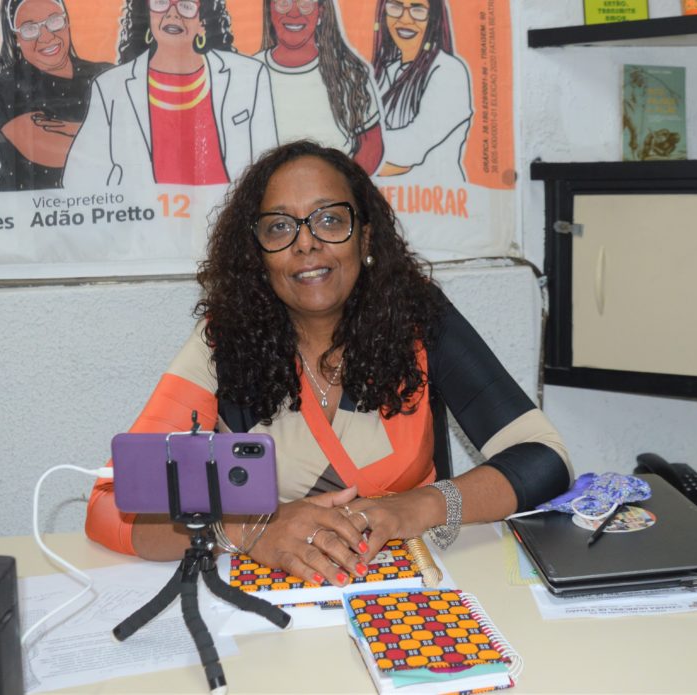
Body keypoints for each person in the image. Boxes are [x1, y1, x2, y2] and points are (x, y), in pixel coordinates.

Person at [85, 141, 571, 585]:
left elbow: (544, 458)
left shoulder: (418, 318)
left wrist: (415, 507)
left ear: (365, 238)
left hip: (413, 584)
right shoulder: (224, 340)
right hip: (277, 601)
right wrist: (251, 529)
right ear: (258, 255)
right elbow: (109, 506)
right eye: (280, 226)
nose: (306, 243)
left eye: (330, 220)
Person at [63, 0, 277, 187]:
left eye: (186, 5)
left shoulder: (249, 76)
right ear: (146, 13)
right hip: (143, 220)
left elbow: (269, 169)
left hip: (229, 218)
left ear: (203, 20)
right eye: (161, 2)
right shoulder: (109, 86)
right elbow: (79, 177)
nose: (172, 14)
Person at [0, 0, 110, 190]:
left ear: (67, 22)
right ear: (16, 38)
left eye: (53, 21)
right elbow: (54, 153)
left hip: (104, 203)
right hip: (32, 207)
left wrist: (74, 129)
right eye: (29, 29)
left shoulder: (106, 75)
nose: (46, 36)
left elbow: (138, 138)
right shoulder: (6, 88)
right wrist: (103, 129)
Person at [256, 0, 383, 174]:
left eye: (306, 3)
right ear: (270, 9)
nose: (294, 13)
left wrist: (341, 186)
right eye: (284, 2)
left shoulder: (349, 73)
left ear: (321, 11)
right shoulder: (247, 72)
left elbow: (371, 146)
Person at [371, 0, 472, 180]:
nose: (405, 19)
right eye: (395, 7)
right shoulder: (386, 71)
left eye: (417, 9)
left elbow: (410, 149)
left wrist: (361, 152)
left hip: (436, 194)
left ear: (434, 17)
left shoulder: (448, 71)